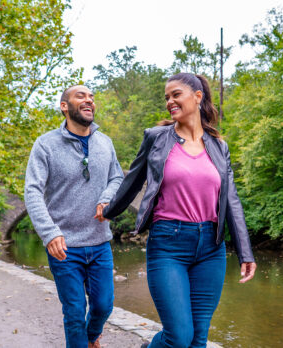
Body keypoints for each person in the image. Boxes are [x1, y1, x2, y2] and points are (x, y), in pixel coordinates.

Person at [103, 73, 257, 348]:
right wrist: (108, 211)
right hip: (168, 243)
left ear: (198, 97)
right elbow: (133, 181)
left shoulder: (220, 146)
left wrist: (245, 253)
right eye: (166, 97)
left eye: (176, 95)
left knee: (198, 340)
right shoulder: (157, 138)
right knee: (178, 337)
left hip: (211, 247)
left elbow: (231, 200)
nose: (169, 101)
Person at [24, 84, 124, 348]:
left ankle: (91, 339)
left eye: (91, 96)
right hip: (64, 246)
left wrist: (106, 198)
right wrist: (49, 233)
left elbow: (117, 178)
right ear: (64, 106)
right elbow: (32, 191)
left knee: (103, 307)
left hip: (100, 242)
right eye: (81, 96)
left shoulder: (105, 143)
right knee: (74, 313)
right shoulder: (45, 144)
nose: (89, 100)